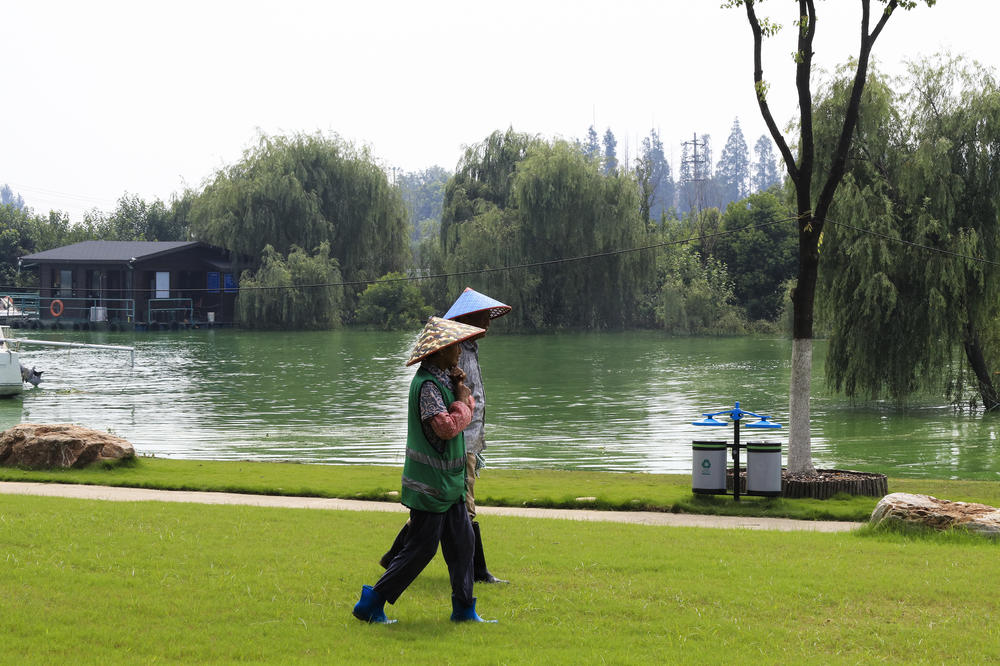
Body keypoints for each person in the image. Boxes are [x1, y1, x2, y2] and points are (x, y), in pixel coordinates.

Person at [352, 316, 496, 624]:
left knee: (463, 544)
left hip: (449, 485)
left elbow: (463, 407)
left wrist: (460, 390)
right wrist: (462, 401)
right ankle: (371, 603)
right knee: (420, 550)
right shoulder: (428, 386)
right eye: (455, 347)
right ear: (440, 351)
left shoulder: (444, 380)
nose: (460, 352)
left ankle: (464, 609)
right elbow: (446, 428)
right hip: (430, 487)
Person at [380, 287, 511, 584]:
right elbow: (454, 405)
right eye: (482, 317)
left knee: (445, 510)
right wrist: (465, 407)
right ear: (466, 320)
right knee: (462, 505)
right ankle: (475, 572)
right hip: (457, 442)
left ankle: (396, 556)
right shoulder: (454, 354)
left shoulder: (467, 349)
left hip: (469, 437)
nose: (488, 323)